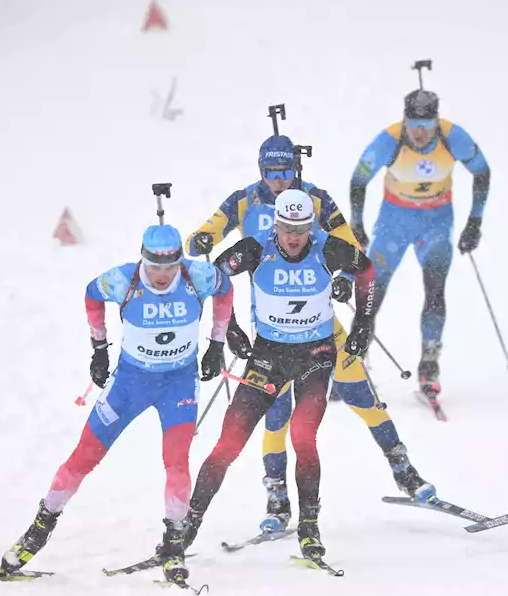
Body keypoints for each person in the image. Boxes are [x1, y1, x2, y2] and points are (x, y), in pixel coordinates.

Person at [186, 136, 436, 533]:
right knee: (276, 414)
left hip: (322, 330)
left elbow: (350, 247)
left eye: (286, 172)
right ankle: (277, 497)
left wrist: (340, 278)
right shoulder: (243, 201)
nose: (279, 181)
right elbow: (205, 235)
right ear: (260, 171)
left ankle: (403, 469)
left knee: (360, 395)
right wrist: (201, 240)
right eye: (271, 173)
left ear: (296, 170)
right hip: (270, 332)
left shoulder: (316, 200)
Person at [0, 223, 234, 583]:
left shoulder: (198, 276)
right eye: (154, 267)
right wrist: (99, 347)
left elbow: (226, 289)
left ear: (178, 262)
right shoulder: (123, 280)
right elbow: (92, 295)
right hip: (129, 384)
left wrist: (218, 343)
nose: (161, 276)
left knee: (176, 461)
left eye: (169, 268)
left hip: (178, 384)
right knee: (84, 456)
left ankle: (174, 544)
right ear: (143, 260)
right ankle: (40, 528)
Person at [180, 189, 377, 562]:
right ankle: (186, 528)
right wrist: (228, 330)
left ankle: (309, 528)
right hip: (268, 356)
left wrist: (363, 322)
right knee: (229, 442)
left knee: (303, 436)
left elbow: (365, 269)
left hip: (315, 356)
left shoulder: (327, 247)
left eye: (301, 228)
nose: (293, 236)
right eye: (286, 227)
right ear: (276, 224)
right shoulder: (257, 248)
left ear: (310, 226)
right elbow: (215, 275)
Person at [348, 86, 491, 400]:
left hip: (436, 224)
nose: (420, 133)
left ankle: (429, 364)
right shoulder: (390, 138)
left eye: (426, 127)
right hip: (394, 224)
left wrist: (474, 223)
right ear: (405, 120)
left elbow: (482, 173)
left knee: (435, 288)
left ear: (437, 123)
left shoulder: (453, 136)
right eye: (414, 126)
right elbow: (359, 180)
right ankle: (353, 362)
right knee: (373, 290)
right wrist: (356, 225)